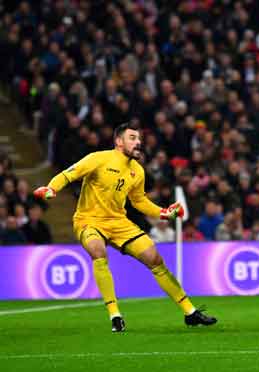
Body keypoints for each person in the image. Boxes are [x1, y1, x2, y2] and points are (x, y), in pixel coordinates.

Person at [33, 123, 216, 332]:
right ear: (119, 141)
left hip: (119, 223)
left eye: (138, 138)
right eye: (132, 138)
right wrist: (51, 188)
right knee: (98, 251)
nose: (138, 142)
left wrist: (164, 213)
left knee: (155, 259)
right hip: (89, 220)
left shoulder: (137, 171)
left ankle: (190, 312)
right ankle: (115, 315)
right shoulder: (99, 158)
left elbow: (139, 201)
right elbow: (69, 174)